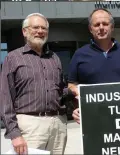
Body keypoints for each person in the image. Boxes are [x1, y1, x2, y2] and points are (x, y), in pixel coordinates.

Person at [0, 13, 68, 154]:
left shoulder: (54, 58)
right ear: (25, 31)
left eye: (44, 28)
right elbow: (5, 98)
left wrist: (75, 91)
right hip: (30, 126)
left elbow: (61, 91)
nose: (40, 31)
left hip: (58, 124)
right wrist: (14, 133)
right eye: (35, 27)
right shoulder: (13, 58)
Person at [68, 8, 120, 124]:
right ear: (90, 29)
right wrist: (78, 106)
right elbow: (72, 85)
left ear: (112, 27)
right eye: (97, 25)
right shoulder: (79, 54)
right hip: (94, 119)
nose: (101, 27)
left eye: (105, 24)